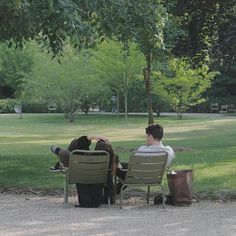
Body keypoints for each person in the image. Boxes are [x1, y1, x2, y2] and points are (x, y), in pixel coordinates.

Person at [115, 124, 175, 193]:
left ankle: (111, 191)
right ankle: (115, 190)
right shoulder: (168, 151)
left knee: (116, 165)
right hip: (155, 179)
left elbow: (134, 164)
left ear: (150, 136)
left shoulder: (142, 150)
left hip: (137, 178)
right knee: (125, 169)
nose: (146, 138)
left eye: (147, 136)